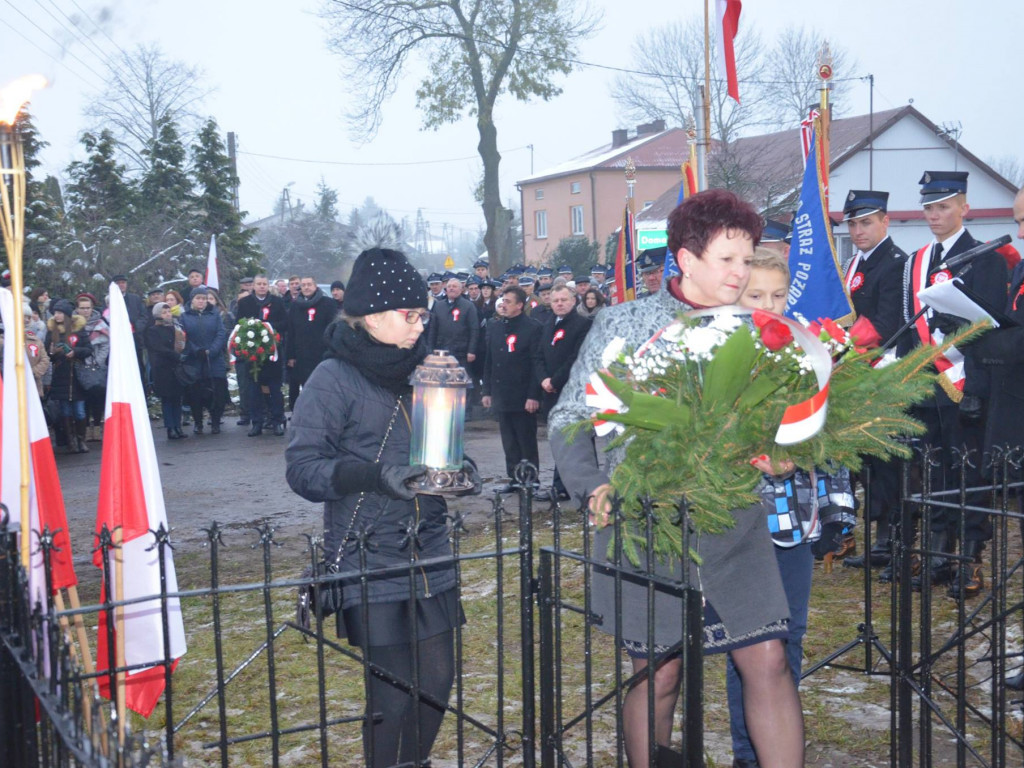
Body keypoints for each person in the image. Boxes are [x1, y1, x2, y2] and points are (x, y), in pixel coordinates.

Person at [549, 189, 803, 768]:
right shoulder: (624, 325)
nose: (741, 274)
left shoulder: (761, 331)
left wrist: (784, 453)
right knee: (659, 673)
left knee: (767, 660)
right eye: (727, 260)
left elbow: (787, 422)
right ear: (687, 260)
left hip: (733, 523)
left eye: (747, 259)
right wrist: (593, 483)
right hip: (646, 523)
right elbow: (570, 418)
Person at [285, 245, 477, 768]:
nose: (421, 324)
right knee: (391, 697)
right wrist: (375, 477)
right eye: (410, 314)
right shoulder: (332, 377)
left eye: (423, 313)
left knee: (436, 682)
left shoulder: (426, 371)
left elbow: (445, 448)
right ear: (372, 316)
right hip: (370, 556)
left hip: (429, 548)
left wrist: (461, 471)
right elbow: (302, 468)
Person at [727, 246, 856, 768]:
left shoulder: (809, 350)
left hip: (795, 522)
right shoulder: (722, 352)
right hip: (739, 523)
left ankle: (777, 745)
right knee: (753, 647)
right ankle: (747, 754)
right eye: (756, 294)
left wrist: (836, 509)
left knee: (790, 638)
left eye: (778, 295)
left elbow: (836, 434)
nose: (769, 305)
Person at [899, 171, 1008, 596]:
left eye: (943, 206)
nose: (934, 215)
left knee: (970, 474)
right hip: (929, 381)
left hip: (967, 381)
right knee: (935, 472)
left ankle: (972, 560)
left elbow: (992, 325)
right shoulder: (916, 261)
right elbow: (911, 328)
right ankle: (940, 554)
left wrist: (977, 387)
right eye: (928, 207)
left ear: (965, 207)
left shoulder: (986, 257)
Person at [836, 190, 909, 575]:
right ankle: (877, 539)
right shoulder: (852, 263)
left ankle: (893, 541)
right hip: (856, 371)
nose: (858, 230)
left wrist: (846, 345)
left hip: (883, 370)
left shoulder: (896, 264)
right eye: (853, 223)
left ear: (885, 221)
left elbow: (888, 323)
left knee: (887, 463)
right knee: (867, 464)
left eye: (866, 222)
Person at [482, 286, 547, 499]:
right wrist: (487, 391)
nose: (504, 304)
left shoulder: (532, 327)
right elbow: (490, 360)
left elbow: (535, 364)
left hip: (523, 394)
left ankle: (530, 479)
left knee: (525, 439)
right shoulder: (495, 326)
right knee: (508, 440)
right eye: (502, 300)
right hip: (502, 392)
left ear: (520, 305)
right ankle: (514, 478)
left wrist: (533, 395)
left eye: (509, 301)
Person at [540, 283, 592, 501]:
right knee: (559, 440)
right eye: (555, 301)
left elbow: (577, 358)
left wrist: (555, 380)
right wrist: (543, 379)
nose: (559, 304)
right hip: (550, 391)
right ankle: (560, 486)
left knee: (578, 439)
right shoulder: (548, 323)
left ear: (573, 301)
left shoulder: (583, 324)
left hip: (573, 390)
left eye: (563, 300)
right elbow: (538, 354)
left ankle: (586, 486)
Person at [236, 274, 288, 436]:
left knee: (274, 389)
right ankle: (256, 422)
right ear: (253, 286)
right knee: (254, 390)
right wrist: (252, 329)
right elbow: (239, 324)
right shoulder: (245, 303)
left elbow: (284, 323)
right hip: (252, 354)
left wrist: (267, 327)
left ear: (268, 285)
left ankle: (277, 420)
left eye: (264, 284)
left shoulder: (277, 302)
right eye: (259, 284)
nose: (262, 286)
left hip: (272, 353)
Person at [45, 298, 93, 454]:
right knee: (65, 410)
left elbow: (88, 349)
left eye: (59, 313)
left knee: (79, 410)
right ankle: (70, 440)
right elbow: (47, 353)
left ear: (66, 314)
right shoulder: (52, 331)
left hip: (77, 375)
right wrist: (52, 352)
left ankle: (81, 440)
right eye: (55, 312)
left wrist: (75, 352)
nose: (56, 315)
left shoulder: (79, 329)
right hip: (61, 375)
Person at [179, 286, 228, 435]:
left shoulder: (214, 314)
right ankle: (198, 422)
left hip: (214, 359)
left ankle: (215, 421)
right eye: (198, 298)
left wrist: (212, 350)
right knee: (195, 394)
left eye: (204, 298)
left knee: (217, 391)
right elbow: (183, 336)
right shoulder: (185, 316)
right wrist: (196, 350)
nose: (201, 301)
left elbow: (221, 333)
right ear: (192, 300)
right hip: (194, 360)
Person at [286, 277, 337, 409]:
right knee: (305, 388)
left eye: (309, 284)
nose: (306, 287)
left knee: (322, 388)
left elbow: (333, 329)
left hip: (321, 354)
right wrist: (290, 355)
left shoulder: (328, 303)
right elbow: (290, 332)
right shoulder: (295, 305)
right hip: (301, 355)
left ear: (315, 286)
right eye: (303, 285)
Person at [144, 302, 188, 439]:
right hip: (163, 369)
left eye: (169, 312)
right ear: (157, 315)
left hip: (176, 368)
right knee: (167, 399)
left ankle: (178, 426)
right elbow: (159, 348)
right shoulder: (152, 330)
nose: (168, 314)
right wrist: (176, 355)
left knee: (177, 398)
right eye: (164, 312)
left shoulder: (175, 328)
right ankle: (170, 427)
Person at [74, 292, 110, 442]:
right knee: (84, 399)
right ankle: (86, 428)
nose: (85, 311)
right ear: (77, 309)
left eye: (88, 308)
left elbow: (106, 345)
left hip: (96, 366)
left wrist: (98, 361)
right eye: (82, 308)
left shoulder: (100, 324)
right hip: (79, 365)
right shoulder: (73, 323)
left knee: (98, 397)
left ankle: (96, 426)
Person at [427, 277, 479, 368]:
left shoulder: (468, 306)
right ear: (446, 289)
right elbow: (433, 328)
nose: (451, 288)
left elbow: (474, 329)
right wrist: (430, 350)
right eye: (449, 286)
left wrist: (471, 351)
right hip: (442, 351)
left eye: (454, 286)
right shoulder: (438, 305)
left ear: (461, 289)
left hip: (461, 352)